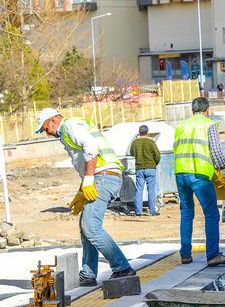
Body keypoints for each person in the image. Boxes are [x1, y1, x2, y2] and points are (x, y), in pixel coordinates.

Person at [35, 108, 135, 286]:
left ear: (52, 120)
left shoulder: (69, 126)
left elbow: (91, 148)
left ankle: (123, 268)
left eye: (45, 128)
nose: (47, 134)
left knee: (91, 227)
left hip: (103, 177)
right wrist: (82, 190)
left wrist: (89, 180)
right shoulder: (70, 130)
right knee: (85, 228)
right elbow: (87, 161)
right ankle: (88, 274)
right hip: (103, 177)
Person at [173, 97, 225, 266]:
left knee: (186, 213)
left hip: (180, 173)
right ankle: (213, 254)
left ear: (192, 111)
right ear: (207, 111)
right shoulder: (209, 125)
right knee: (211, 214)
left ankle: (185, 255)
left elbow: (176, 148)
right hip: (199, 174)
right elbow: (215, 150)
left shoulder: (180, 126)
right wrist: (222, 168)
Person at [130, 124, 161, 217]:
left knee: (139, 190)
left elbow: (131, 153)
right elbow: (157, 155)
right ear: (147, 132)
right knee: (151, 190)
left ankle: (138, 212)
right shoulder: (151, 142)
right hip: (150, 168)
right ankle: (152, 212)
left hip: (139, 169)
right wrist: (154, 163)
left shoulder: (135, 142)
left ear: (139, 132)